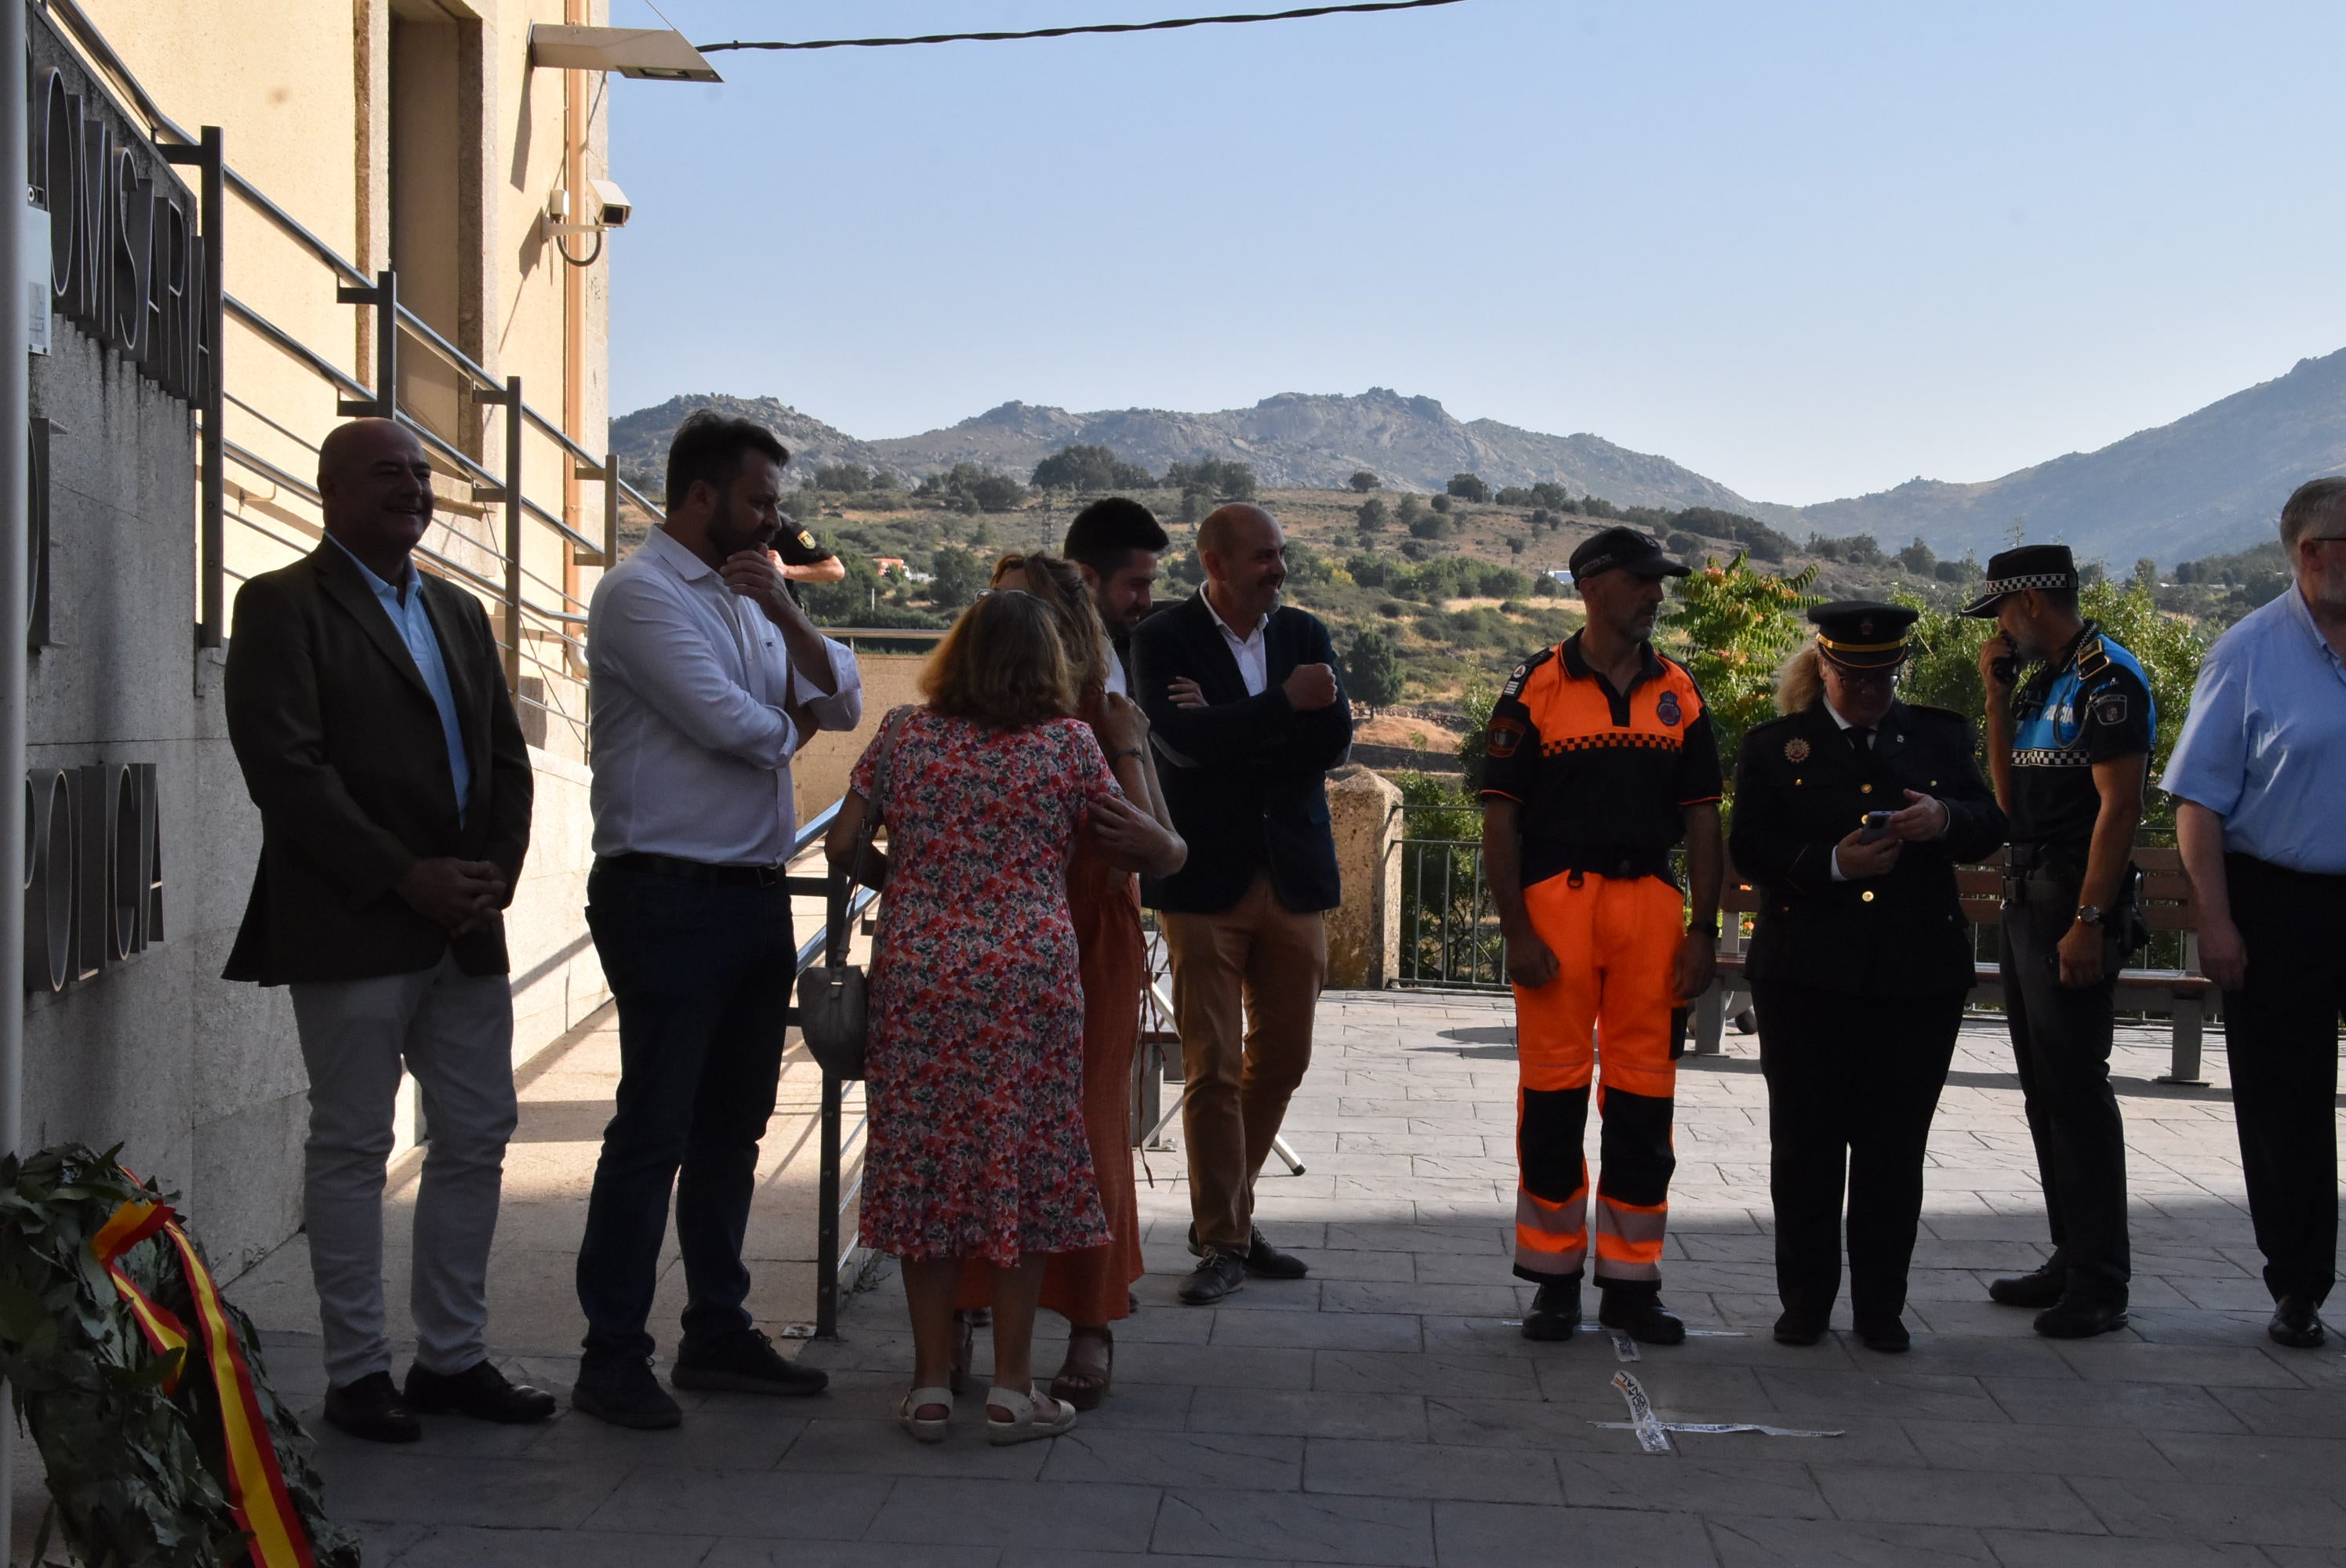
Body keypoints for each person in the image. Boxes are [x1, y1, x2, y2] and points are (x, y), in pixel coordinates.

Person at [223, 417, 551, 1442]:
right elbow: (286, 770)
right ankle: (359, 1373)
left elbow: (505, 758)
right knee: (355, 1142)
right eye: (387, 475)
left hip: (464, 929)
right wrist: (404, 876)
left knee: (477, 1136)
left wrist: (487, 878)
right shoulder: (281, 606)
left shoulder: (458, 610)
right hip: (352, 922)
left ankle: (451, 1358)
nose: (412, 489)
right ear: (329, 491)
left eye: (421, 475)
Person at [826, 590, 1178, 1444]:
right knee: (1023, 1165)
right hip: (1030, 980)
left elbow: (842, 845)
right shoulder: (1066, 748)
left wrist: (912, 886)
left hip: (919, 977)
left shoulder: (904, 736)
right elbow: (1152, 847)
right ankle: (1014, 1390)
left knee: (922, 1164)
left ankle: (927, 1387)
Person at [573, 411, 864, 1427]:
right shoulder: (641, 597)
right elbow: (738, 729)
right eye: (761, 504)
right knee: (654, 1129)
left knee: (732, 1129)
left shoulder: (752, 594)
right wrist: (791, 716)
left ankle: (717, 1332)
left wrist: (787, 616)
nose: (777, 525)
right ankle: (610, 1354)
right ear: (702, 498)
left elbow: (846, 701)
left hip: (748, 893)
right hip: (664, 896)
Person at [1730, 604, 2008, 1352]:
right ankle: (1806, 1304)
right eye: (1852, 675)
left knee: (1894, 1149)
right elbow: (1750, 845)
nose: (1867, 689)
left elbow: (1989, 821)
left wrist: (1944, 818)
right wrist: (1830, 863)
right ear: (1823, 666)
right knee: (1805, 1145)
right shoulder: (1777, 746)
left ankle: (1881, 1307)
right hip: (1805, 977)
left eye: (1882, 675)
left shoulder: (1939, 737)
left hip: (1914, 978)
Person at [949, 553, 1186, 1410]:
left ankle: (1091, 1322)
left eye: (1018, 604)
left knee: (1085, 1134)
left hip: (1086, 937)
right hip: (976, 950)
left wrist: (1127, 756)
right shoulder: (955, 720)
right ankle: (968, 1309)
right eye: (993, 602)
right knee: (977, 1127)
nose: (999, 617)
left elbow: (1165, 850)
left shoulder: (1105, 716)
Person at [1479, 525, 1723, 1346]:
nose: (1656, 593)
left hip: (1650, 906)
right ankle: (1552, 1280)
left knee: (1644, 1101)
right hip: (1557, 903)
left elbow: (1703, 822)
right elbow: (1500, 820)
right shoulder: (1535, 688)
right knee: (1551, 1096)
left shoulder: (1679, 692)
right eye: (1641, 579)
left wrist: (1703, 928)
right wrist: (1515, 930)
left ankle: (1629, 1281)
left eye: (1660, 581)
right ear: (1591, 585)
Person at [1130, 503, 1354, 1305]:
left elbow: (1332, 741)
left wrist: (1239, 722)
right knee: (1214, 1064)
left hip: (1292, 874)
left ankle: (1227, 1210)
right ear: (1215, 561)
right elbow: (1179, 743)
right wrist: (1279, 709)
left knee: (1284, 1055)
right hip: (1201, 881)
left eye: (1281, 553)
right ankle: (1223, 1236)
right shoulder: (1162, 638)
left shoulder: (1303, 633)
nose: (1278, 568)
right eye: (1263, 555)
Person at [2162, 477, 2346, 1349]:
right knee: (2285, 1104)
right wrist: (2216, 919)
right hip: (2280, 901)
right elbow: (2196, 800)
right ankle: (2299, 1284)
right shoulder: (2245, 652)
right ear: (2313, 554)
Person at [1968, 543, 2153, 1339]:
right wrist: (1995, 696)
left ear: (2032, 604)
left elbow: (2120, 809)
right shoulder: (2044, 679)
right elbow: (2008, 796)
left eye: (2004, 613)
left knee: (2077, 1088)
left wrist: (2088, 918)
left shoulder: (2108, 680)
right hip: (2023, 897)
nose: (2002, 629)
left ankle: (2100, 1279)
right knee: (2044, 1089)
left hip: (2069, 904)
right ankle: (2068, 1250)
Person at [1061, 495, 1169, 695]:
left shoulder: (1101, 645)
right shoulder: (1050, 661)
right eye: (1136, 585)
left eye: (1149, 586)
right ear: (1087, 578)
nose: (1147, 602)